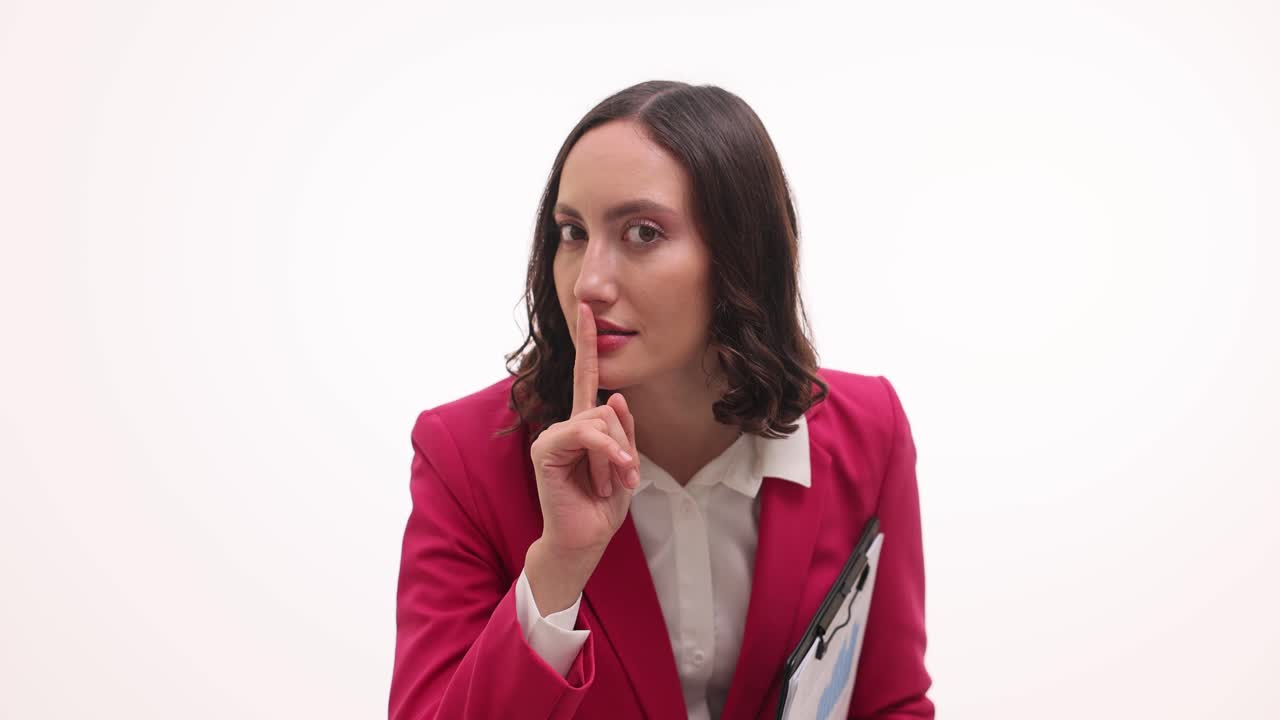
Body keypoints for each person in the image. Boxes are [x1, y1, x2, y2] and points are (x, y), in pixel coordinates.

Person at [388, 80, 934, 720]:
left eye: (643, 232)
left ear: (740, 254)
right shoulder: (466, 457)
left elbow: (890, 704)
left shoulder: (871, 430)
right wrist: (558, 570)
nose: (589, 282)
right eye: (572, 231)